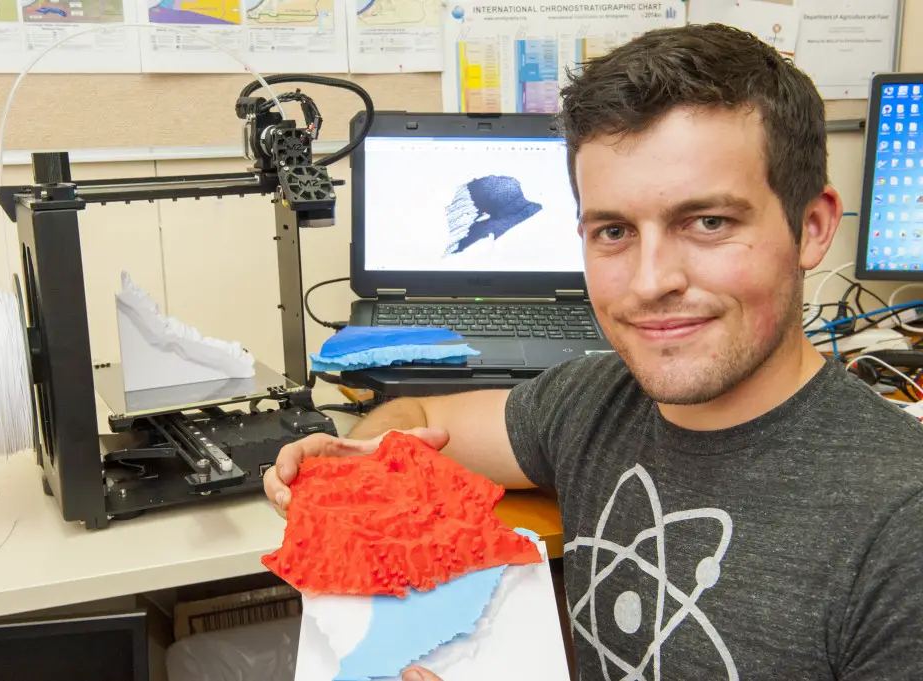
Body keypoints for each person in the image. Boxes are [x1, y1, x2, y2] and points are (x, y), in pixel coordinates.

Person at [265, 23, 923, 681]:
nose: (649, 281)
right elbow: (406, 420)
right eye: (613, 231)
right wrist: (357, 473)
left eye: (709, 222)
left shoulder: (900, 524)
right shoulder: (588, 404)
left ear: (811, 227)